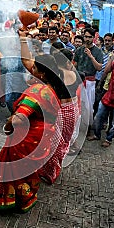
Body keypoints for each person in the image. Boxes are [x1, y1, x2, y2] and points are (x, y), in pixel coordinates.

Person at [0, 34, 64, 212]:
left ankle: (16, 199)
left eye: (34, 68)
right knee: (28, 169)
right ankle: (28, 195)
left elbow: (19, 118)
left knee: (15, 170)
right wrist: (23, 38)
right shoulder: (52, 86)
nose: (30, 69)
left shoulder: (38, 90)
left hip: (27, 137)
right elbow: (27, 63)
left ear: (41, 73)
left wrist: (7, 125)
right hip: (43, 136)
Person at [38, 48, 81, 184]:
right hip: (73, 110)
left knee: (54, 141)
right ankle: (55, 167)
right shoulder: (76, 74)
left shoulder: (57, 75)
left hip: (60, 111)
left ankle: (49, 171)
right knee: (65, 141)